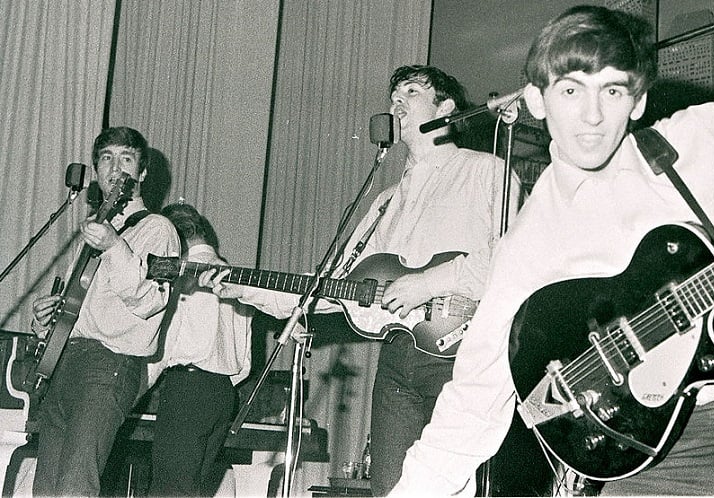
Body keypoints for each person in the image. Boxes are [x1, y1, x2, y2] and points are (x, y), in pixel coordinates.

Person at [390, 5, 714, 497]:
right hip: (661, 460)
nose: (592, 115)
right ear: (537, 101)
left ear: (638, 100)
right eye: (570, 89)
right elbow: (475, 401)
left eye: (612, 89)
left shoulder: (700, 143)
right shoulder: (529, 244)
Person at [200, 64, 522, 496]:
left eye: (411, 91)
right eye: (393, 96)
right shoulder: (387, 201)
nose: (397, 102)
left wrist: (426, 284)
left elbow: (511, 264)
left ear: (446, 107)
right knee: (388, 489)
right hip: (395, 363)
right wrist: (245, 289)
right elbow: (334, 289)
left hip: (465, 355)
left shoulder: (487, 172)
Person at [30, 126, 181, 496]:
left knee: (75, 488)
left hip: (108, 366)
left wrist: (115, 246)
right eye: (106, 158)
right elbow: (77, 308)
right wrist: (45, 320)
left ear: (142, 173)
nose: (115, 167)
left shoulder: (159, 230)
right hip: (66, 363)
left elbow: (150, 301)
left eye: (126, 158)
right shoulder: (97, 229)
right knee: (45, 490)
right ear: (96, 170)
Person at [146, 202, 253, 496]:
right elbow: (244, 362)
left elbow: (161, 347)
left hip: (186, 390)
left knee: (169, 491)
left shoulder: (183, 276)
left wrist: (132, 392)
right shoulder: (239, 280)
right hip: (222, 395)